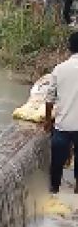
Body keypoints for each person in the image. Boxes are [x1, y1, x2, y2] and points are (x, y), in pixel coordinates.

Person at [45, 31, 78, 193]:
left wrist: (47, 120)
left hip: (63, 125)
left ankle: (54, 190)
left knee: (57, 162)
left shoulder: (59, 69)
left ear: (69, 47)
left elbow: (49, 98)